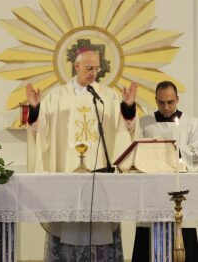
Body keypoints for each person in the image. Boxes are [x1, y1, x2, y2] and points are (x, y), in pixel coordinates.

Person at [26, 48, 139, 261]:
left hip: (101, 179)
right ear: (76, 66)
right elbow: (39, 132)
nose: (94, 72)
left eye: (97, 68)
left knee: (100, 227)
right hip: (67, 178)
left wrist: (129, 107)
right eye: (89, 68)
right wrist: (34, 110)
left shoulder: (107, 96)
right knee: (68, 227)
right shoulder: (56, 97)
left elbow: (126, 128)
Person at [132, 81, 198, 262]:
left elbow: (196, 155)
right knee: (149, 239)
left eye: (170, 102)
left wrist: (172, 151)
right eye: (161, 102)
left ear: (177, 99)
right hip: (152, 192)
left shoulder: (192, 124)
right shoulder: (145, 123)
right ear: (155, 100)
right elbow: (136, 154)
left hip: (181, 192)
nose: (166, 107)